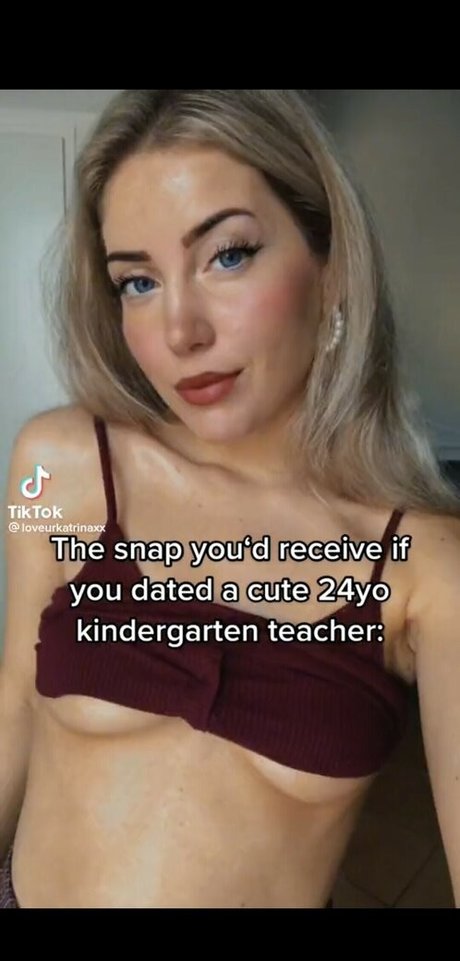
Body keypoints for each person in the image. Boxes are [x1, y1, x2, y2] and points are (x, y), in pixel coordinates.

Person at [1, 89, 459, 910]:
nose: (181, 331)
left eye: (228, 255)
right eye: (138, 282)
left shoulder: (423, 566)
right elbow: (12, 698)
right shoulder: (58, 465)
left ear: (332, 268)